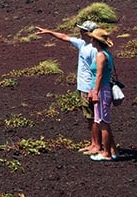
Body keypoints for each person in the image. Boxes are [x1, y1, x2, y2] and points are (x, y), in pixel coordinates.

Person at [35, 21, 101, 154]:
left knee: (93, 117)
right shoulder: (83, 44)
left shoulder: (94, 50)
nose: (80, 33)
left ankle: (97, 146)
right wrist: (49, 32)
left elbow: (98, 72)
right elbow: (64, 37)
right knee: (89, 117)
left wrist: (93, 90)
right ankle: (93, 143)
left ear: (89, 33)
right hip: (83, 87)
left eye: (82, 31)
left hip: (89, 87)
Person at [87, 28, 117, 161]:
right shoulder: (106, 54)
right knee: (104, 122)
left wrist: (95, 92)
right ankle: (112, 151)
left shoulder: (100, 55)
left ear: (96, 40)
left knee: (103, 122)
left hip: (102, 90)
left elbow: (99, 75)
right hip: (105, 89)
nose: (91, 40)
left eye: (92, 38)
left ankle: (106, 153)